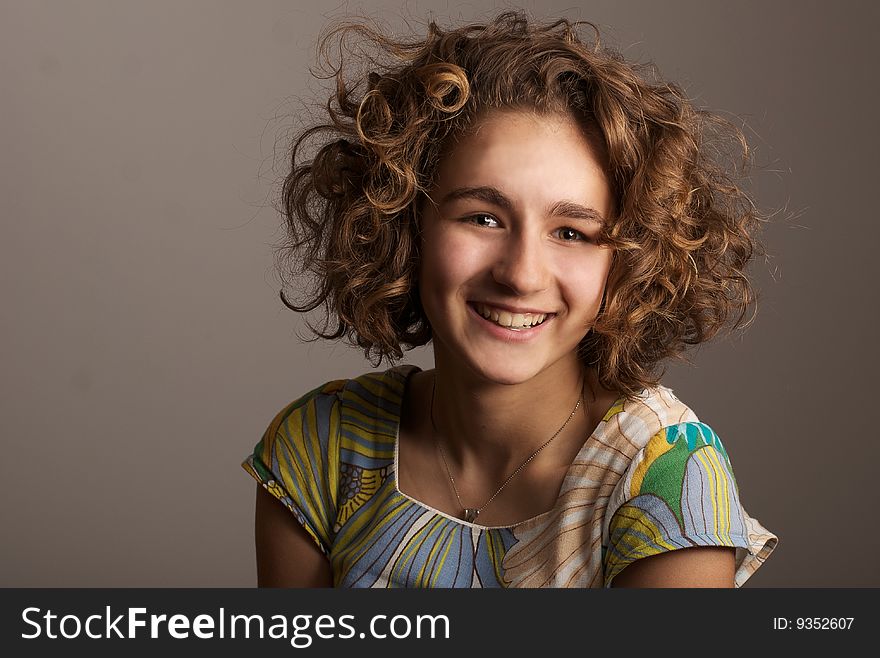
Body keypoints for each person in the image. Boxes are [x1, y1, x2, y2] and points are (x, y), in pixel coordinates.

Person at [242, 10, 777, 588]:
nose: (521, 275)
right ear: (403, 222)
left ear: (627, 260)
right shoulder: (321, 444)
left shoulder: (665, 475)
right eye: (483, 217)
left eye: (571, 231)